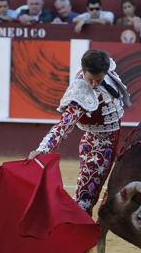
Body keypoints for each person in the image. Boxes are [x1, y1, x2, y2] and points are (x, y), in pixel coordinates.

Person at [28, 49, 131, 216]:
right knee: (85, 199)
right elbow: (63, 126)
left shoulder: (107, 68)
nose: (94, 85)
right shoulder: (80, 94)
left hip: (117, 139)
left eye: (99, 80)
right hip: (97, 146)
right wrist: (42, 150)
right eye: (90, 79)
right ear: (83, 71)